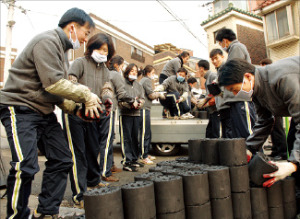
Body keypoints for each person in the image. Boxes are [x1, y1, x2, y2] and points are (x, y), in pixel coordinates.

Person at [0, 8, 100, 218]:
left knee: (62, 159)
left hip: (43, 111)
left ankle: (46, 211)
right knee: (25, 165)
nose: (84, 39)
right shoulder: (47, 41)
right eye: (86, 33)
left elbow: (54, 92)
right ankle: (17, 215)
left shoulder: (62, 52)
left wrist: (75, 109)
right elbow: (54, 84)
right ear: (73, 27)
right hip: (20, 107)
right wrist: (86, 95)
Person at [218, 57, 299, 188]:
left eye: (234, 88)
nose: (235, 93)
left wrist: (293, 164)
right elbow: (264, 121)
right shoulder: (257, 91)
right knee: (293, 141)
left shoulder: (282, 79)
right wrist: (249, 149)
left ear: (248, 77)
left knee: (296, 151)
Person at [63, 33, 116, 208]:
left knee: (93, 150)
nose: (102, 52)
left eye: (106, 50)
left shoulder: (105, 70)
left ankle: (93, 181)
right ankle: (80, 194)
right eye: (100, 49)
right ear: (92, 47)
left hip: (94, 114)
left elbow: (106, 87)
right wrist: (86, 95)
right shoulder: (80, 63)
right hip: (76, 113)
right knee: (78, 154)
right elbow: (71, 82)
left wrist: (107, 99)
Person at [215, 28, 256, 139]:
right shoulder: (234, 49)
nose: (221, 46)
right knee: (238, 134)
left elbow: (232, 69)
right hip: (236, 99)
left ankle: (255, 155)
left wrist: (219, 79)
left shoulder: (236, 47)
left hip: (241, 98)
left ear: (225, 41)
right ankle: (245, 155)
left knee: (246, 132)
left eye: (220, 43)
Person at [108, 55, 135, 174]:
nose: (122, 68)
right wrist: (133, 100)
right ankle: (108, 167)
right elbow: (122, 94)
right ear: (116, 65)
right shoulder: (115, 75)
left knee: (105, 139)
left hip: (103, 107)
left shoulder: (105, 73)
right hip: (110, 109)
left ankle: (110, 165)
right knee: (109, 138)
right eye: (122, 65)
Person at [118, 64, 145, 172]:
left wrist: (139, 103)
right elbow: (119, 99)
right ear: (127, 71)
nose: (134, 72)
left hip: (137, 114)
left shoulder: (139, 85)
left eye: (136, 71)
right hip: (125, 114)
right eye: (132, 70)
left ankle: (134, 159)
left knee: (135, 138)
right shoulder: (122, 83)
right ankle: (126, 162)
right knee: (126, 138)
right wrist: (130, 104)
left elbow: (142, 98)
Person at [260, 58, 287, 160]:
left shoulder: (273, 77)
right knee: (273, 130)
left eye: (263, 66)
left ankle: (282, 153)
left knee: (278, 130)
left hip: (277, 108)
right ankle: (276, 150)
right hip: (272, 107)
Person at [139, 65, 165, 164]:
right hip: (144, 109)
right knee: (144, 133)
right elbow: (151, 95)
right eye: (153, 73)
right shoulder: (146, 80)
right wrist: (159, 94)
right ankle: (143, 156)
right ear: (148, 73)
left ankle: (146, 153)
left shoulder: (143, 80)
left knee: (147, 133)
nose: (154, 75)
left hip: (145, 109)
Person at [209, 49, 232, 138]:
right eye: (212, 59)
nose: (214, 61)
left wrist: (221, 94)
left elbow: (228, 88)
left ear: (222, 57)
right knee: (225, 134)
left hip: (227, 106)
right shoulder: (219, 71)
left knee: (229, 133)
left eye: (216, 58)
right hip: (221, 107)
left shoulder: (226, 69)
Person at [197, 60, 220, 138]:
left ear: (201, 68)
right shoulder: (207, 79)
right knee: (209, 133)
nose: (198, 71)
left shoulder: (213, 76)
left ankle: (216, 150)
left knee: (215, 134)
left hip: (216, 110)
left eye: (198, 69)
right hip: (212, 111)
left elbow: (218, 93)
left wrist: (206, 103)